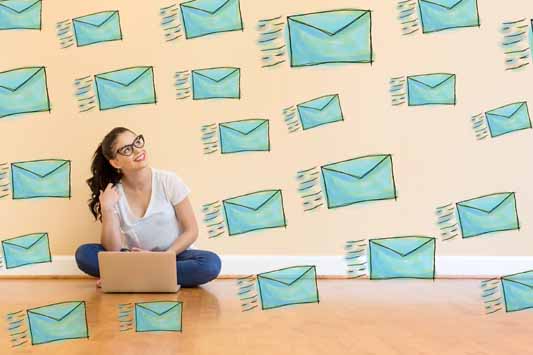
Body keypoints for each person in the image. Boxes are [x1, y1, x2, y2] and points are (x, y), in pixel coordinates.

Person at [75, 127, 221, 287]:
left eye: (137, 142)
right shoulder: (114, 193)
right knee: (84, 254)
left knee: (210, 264)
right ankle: (150, 276)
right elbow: (113, 250)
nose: (137, 150)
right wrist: (107, 209)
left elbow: (191, 231)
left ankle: (128, 278)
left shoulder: (169, 181)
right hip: (135, 259)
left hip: (175, 255)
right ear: (115, 162)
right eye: (127, 149)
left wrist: (162, 259)